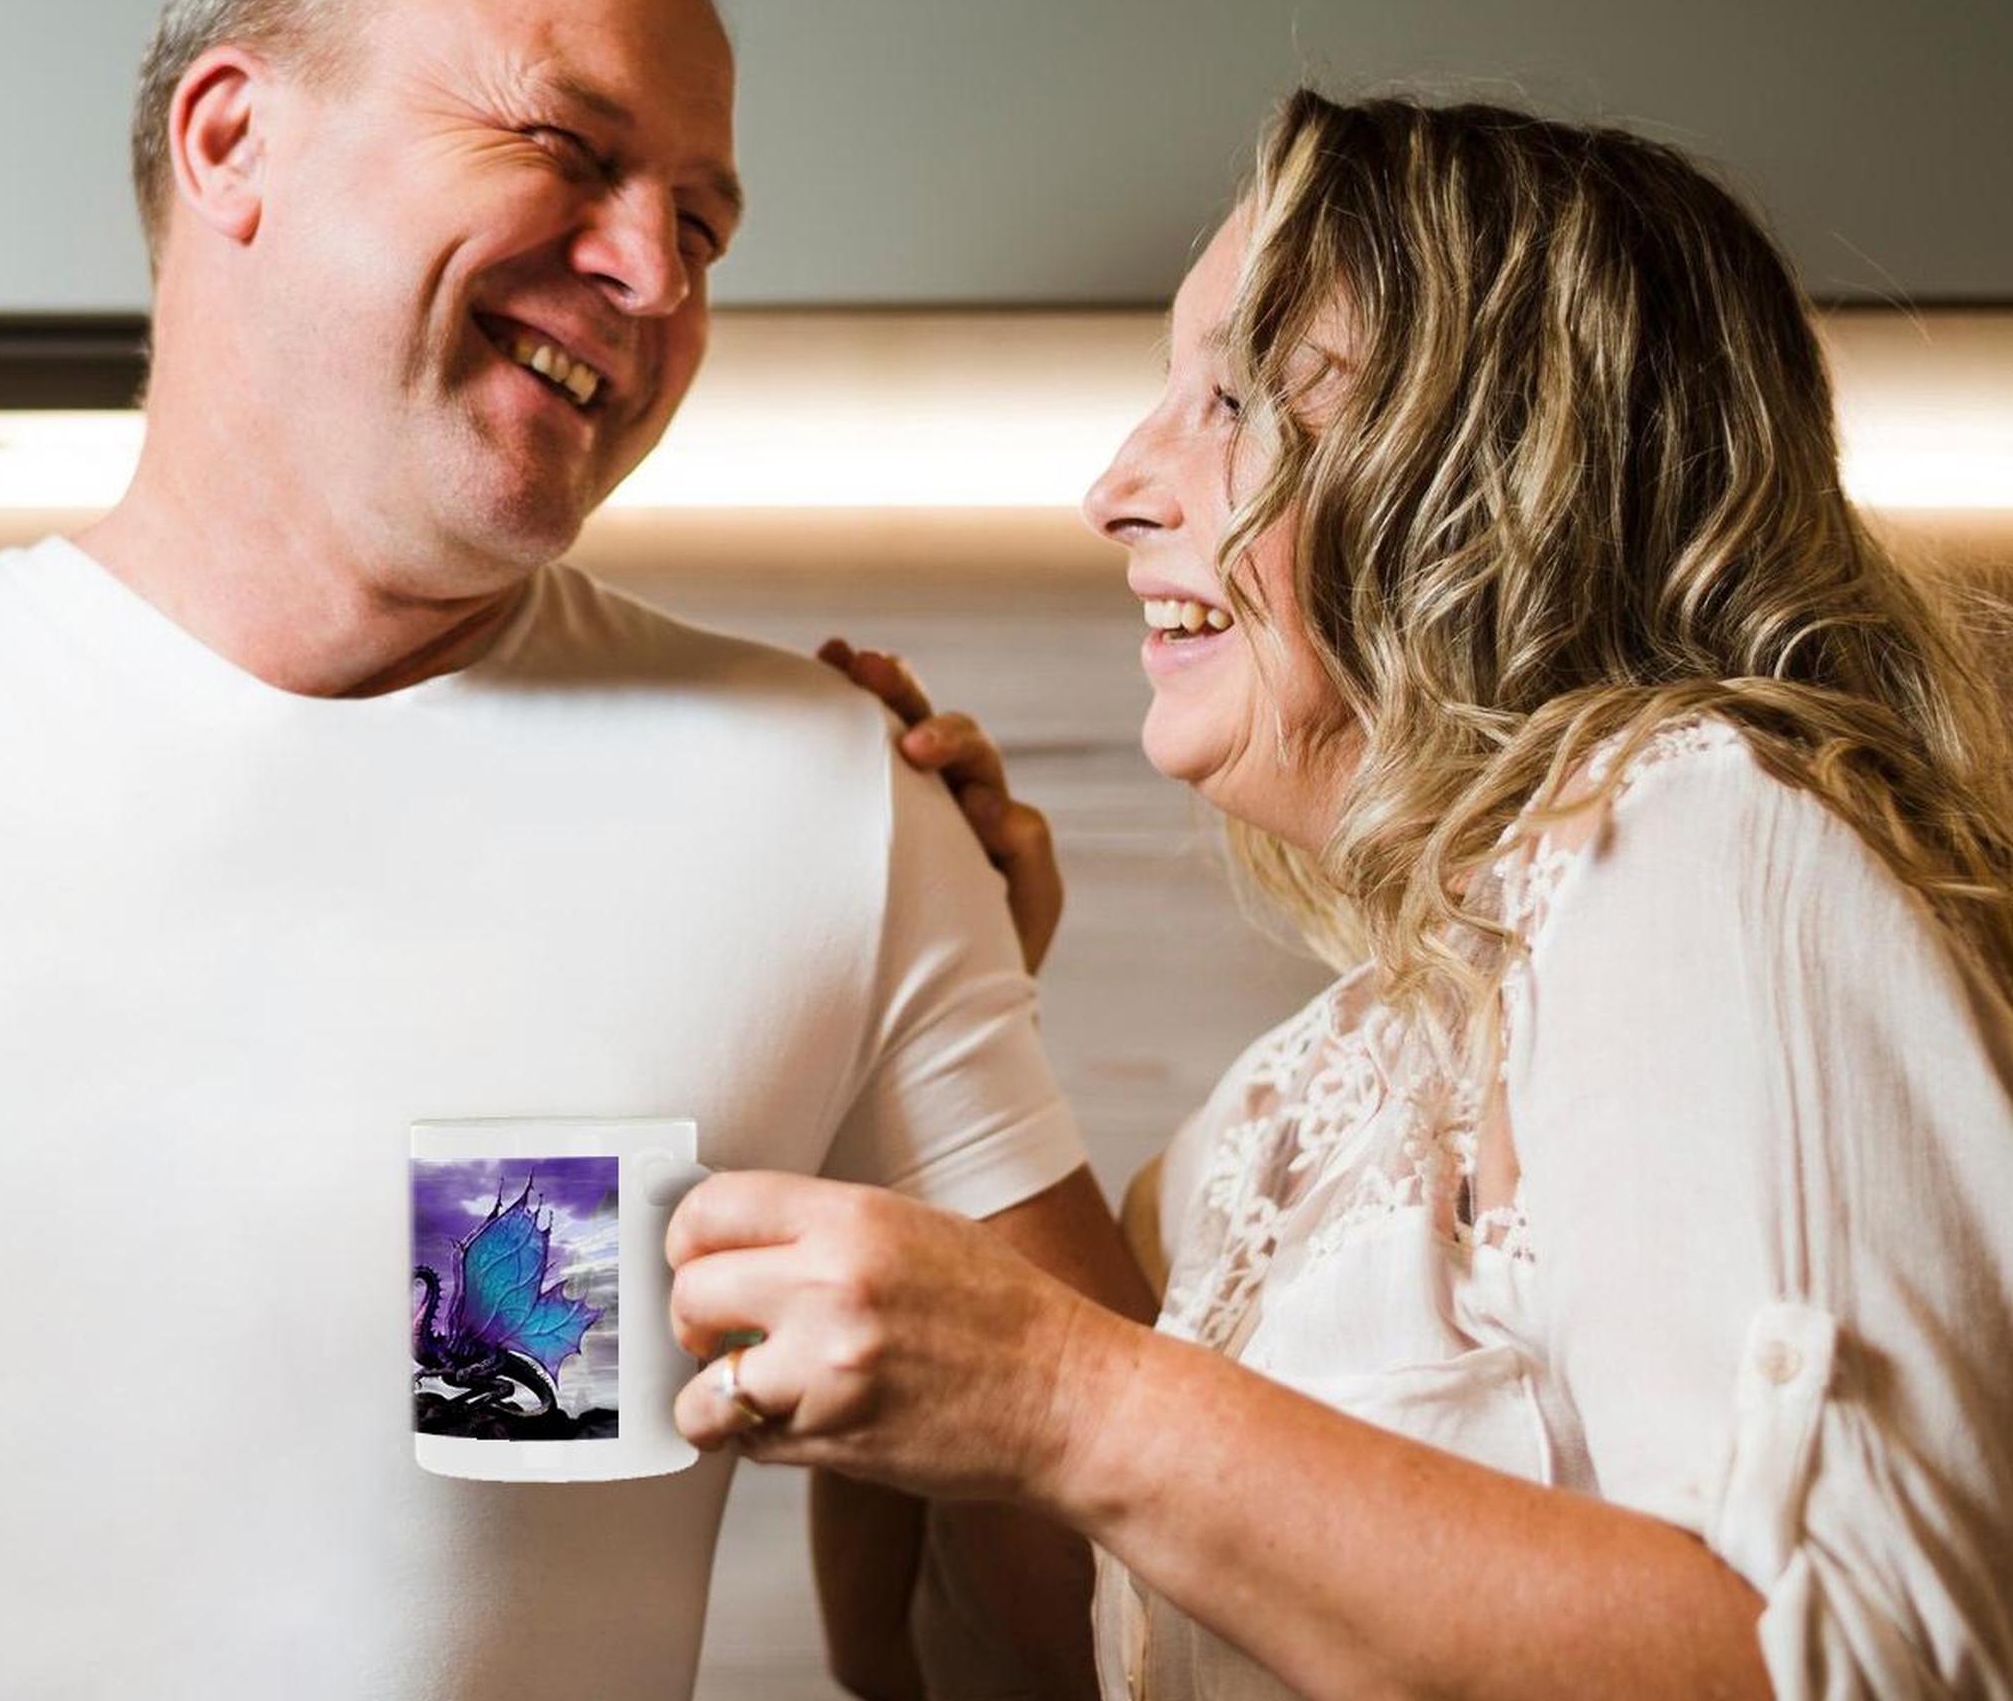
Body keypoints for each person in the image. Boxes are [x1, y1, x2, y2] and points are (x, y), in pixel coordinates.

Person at [0, 0, 1148, 1700]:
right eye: (566, 145)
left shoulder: (825, 802)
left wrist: (923, 1048)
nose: (653, 274)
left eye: (701, 222)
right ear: (234, 140)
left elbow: (1089, 1631)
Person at [668, 89, 2013, 1699]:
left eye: (1233, 397)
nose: (1117, 485)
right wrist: (932, 999)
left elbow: (1875, 1662)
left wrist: (1066, 1395)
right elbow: (963, 1660)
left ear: (1497, 472)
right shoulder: (1285, 1112)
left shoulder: (1699, 831)